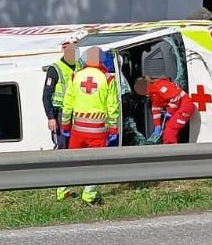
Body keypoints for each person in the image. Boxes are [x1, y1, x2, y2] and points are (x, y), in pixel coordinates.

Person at [60, 46, 120, 205]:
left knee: (72, 161)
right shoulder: (108, 78)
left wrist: (65, 125)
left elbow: (68, 104)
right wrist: (114, 129)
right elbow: (112, 107)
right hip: (98, 130)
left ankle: (62, 189)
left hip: (77, 129)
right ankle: (89, 195)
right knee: (95, 164)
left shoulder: (75, 76)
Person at [43, 40, 80, 199]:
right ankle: (61, 188)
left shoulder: (80, 66)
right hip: (59, 114)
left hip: (75, 114)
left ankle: (73, 183)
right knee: (62, 148)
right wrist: (51, 117)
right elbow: (46, 96)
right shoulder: (55, 69)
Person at [133, 76, 197, 144]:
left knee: (170, 129)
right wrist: (157, 124)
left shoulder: (161, 86)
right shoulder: (154, 94)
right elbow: (156, 108)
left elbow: (175, 96)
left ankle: (170, 150)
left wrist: (170, 111)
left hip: (185, 107)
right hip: (178, 108)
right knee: (168, 128)